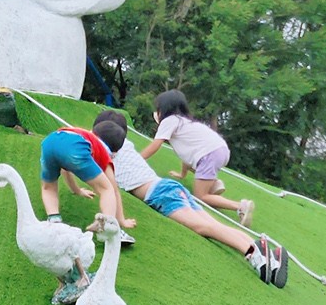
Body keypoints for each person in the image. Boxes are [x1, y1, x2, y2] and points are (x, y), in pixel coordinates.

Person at [93, 113, 287, 287]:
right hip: (168, 187)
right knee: (211, 223)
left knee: (202, 227)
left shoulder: (108, 154)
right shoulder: (126, 145)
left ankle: (253, 255)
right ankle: (265, 252)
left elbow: (110, 188)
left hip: (161, 193)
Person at [140, 90, 254, 227]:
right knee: (201, 168)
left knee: (201, 196)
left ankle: (240, 206)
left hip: (209, 155)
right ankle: (213, 183)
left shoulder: (169, 121)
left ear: (163, 109)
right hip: (220, 150)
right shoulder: (185, 121)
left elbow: (155, 145)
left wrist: (138, 158)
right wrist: (182, 174)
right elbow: (189, 154)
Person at [38, 124, 121, 226]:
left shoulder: (83, 134)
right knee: (107, 189)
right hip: (74, 145)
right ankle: (106, 224)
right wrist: (121, 220)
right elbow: (112, 187)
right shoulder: (103, 151)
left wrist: (77, 190)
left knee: (48, 187)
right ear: (114, 153)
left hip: (50, 141)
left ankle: (54, 218)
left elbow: (65, 169)